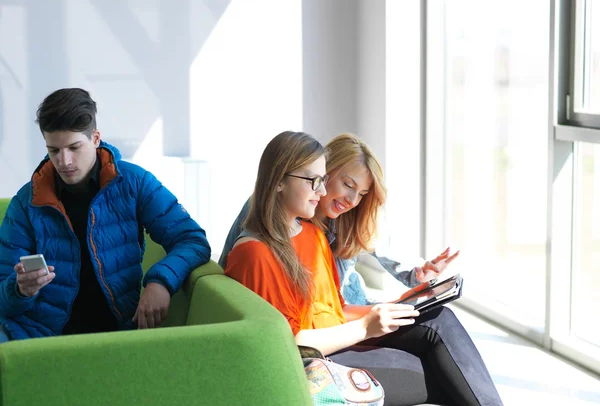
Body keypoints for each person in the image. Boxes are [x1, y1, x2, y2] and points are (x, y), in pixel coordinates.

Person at [225, 131, 504, 406]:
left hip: (336, 339)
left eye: (321, 181)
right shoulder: (256, 252)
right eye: (314, 181)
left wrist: (395, 306)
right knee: (444, 372)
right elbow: (289, 346)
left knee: (439, 319)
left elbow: (335, 308)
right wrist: (364, 328)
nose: (321, 191)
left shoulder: (312, 235)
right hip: (312, 362)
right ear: (278, 181)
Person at [0, 88, 211, 342]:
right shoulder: (26, 202)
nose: (64, 161)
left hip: (117, 331)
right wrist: (20, 289)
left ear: (96, 138)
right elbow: (4, 297)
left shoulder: (134, 182)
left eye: (74, 147)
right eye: (53, 150)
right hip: (41, 336)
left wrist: (161, 281)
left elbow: (192, 239)